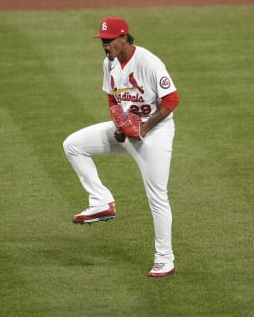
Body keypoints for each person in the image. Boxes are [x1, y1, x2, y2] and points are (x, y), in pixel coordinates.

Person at [63, 17, 180, 278]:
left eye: (109, 40)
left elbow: (172, 99)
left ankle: (165, 258)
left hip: (156, 132)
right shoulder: (110, 63)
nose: (105, 46)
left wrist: (145, 129)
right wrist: (120, 125)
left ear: (124, 38)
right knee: (73, 145)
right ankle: (101, 200)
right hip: (129, 128)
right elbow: (113, 99)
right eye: (103, 41)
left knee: (157, 196)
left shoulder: (148, 62)